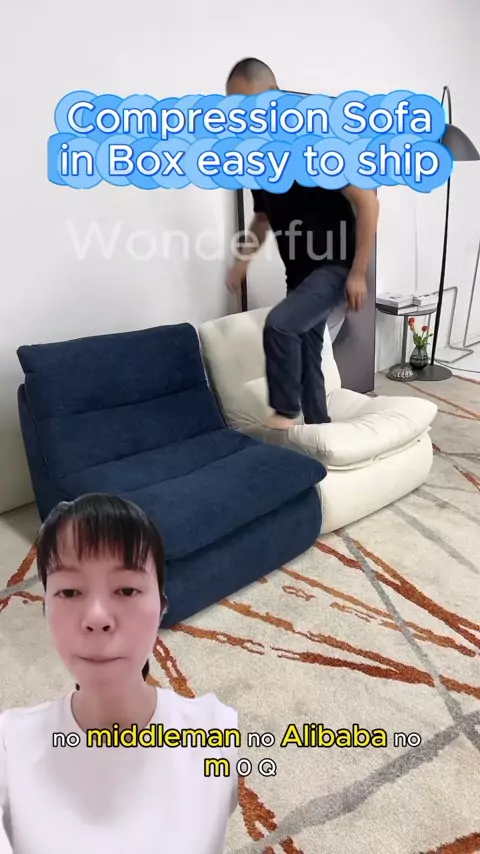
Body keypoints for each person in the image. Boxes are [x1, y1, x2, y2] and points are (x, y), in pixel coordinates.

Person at [0, 494, 238, 854]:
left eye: (126, 589)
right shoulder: (9, 744)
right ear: (45, 608)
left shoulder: (215, 732)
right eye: (69, 591)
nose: (97, 617)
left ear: (162, 606)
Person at [226, 58, 379, 430]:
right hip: (299, 275)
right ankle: (318, 428)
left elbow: (368, 203)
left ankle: (286, 409)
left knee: (280, 326)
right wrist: (243, 260)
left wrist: (358, 273)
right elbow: (263, 219)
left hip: (335, 266)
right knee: (311, 355)